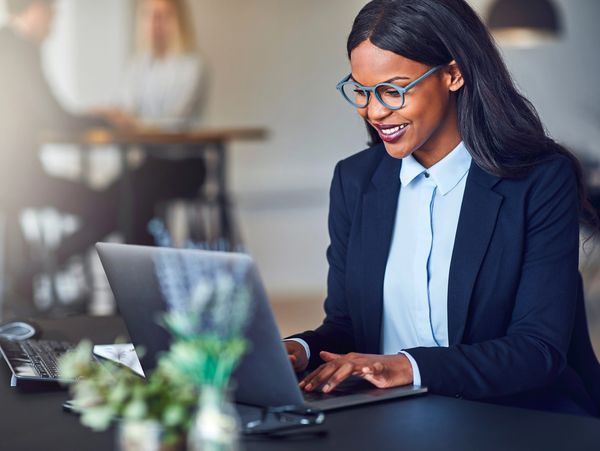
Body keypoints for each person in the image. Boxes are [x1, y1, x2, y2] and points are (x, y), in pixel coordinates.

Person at [284, 0, 599, 416]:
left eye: (393, 91)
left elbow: (537, 350)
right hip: (393, 417)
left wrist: (408, 367)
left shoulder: (539, 180)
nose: (375, 111)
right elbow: (348, 327)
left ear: (453, 73)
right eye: (362, 91)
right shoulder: (355, 181)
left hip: (514, 417)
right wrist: (299, 351)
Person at [0, 0, 121, 305]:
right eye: (52, 11)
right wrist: (106, 118)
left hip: (11, 180)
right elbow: (56, 118)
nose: (54, 20)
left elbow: (40, 114)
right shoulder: (20, 50)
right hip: (19, 181)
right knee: (112, 206)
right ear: (35, 8)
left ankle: (27, 275)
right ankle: (33, 271)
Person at [98, 0, 207, 245]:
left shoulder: (192, 66)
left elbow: (176, 118)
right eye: (150, 16)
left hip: (184, 165)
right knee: (108, 199)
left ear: (178, 21)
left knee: (129, 197)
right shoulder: (137, 66)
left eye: (164, 16)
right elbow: (124, 108)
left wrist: (132, 120)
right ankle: (51, 259)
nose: (156, 24)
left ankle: (47, 261)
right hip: (150, 163)